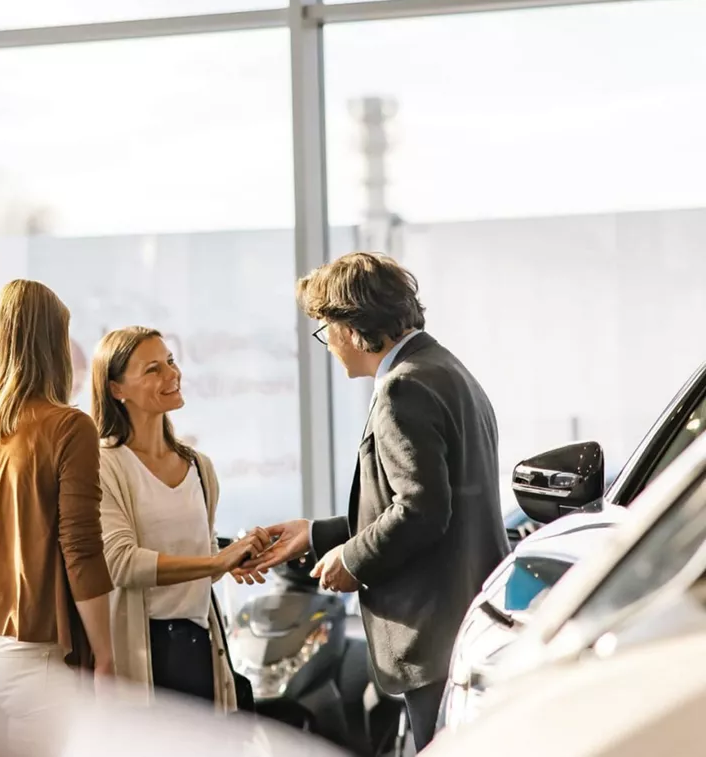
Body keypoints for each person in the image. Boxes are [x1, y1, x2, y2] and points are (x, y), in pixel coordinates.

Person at [236, 252, 509, 751]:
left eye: (325, 328)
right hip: (460, 625)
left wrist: (353, 560)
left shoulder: (403, 388)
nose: (328, 344)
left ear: (351, 325)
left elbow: (422, 511)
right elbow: (416, 504)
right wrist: (317, 535)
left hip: (431, 634)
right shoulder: (445, 369)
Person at [0, 280, 114, 754]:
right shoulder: (69, 426)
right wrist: (105, 651)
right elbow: (80, 548)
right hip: (32, 658)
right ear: (54, 344)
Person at [91, 326, 268, 710]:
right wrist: (215, 561)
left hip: (198, 645)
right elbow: (121, 563)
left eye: (170, 361)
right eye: (153, 369)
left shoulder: (198, 467)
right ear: (117, 389)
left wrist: (233, 556)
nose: (172, 374)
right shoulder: (105, 464)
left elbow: (204, 564)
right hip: (147, 649)